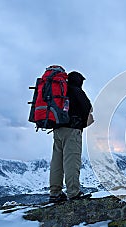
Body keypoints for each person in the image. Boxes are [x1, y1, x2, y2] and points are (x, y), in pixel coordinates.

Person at [49, 71, 93, 203]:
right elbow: (88, 108)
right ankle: (73, 192)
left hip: (57, 129)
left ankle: (55, 193)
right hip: (72, 130)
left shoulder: (60, 92)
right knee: (71, 161)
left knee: (57, 161)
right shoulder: (76, 91)